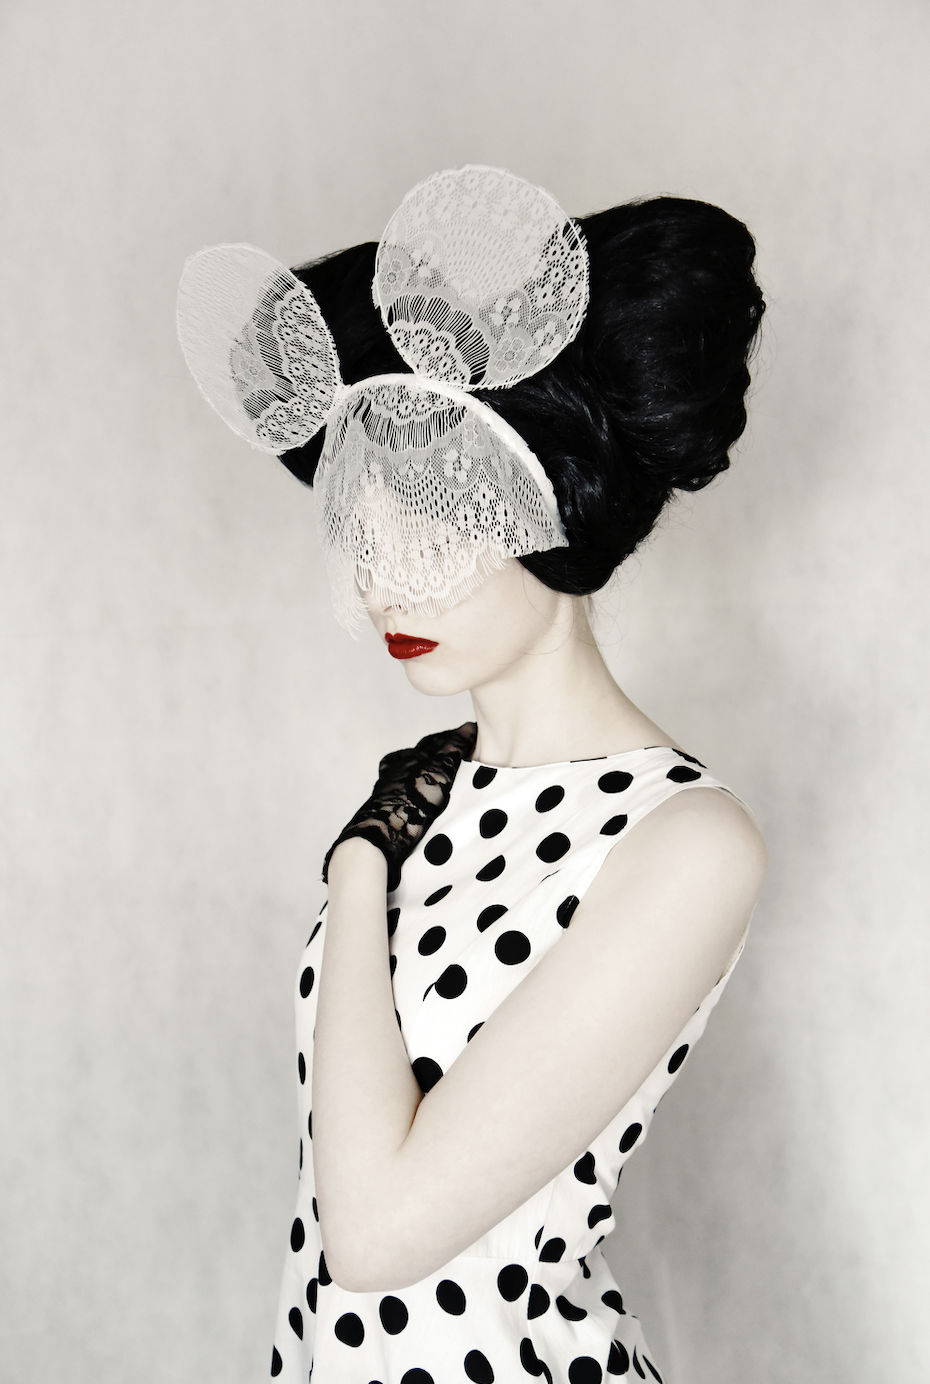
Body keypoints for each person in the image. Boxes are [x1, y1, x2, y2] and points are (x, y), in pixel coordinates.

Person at [178, 167, 766, 1383]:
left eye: (435, 516)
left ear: (556, 508)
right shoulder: (437, 793)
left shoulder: (684, 842)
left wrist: (359, 863)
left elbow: (379, 1231)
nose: (382, 576)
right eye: (361, 520)